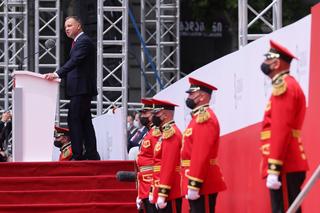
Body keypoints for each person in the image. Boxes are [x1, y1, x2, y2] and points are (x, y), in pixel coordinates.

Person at [259, 40, 309, 213]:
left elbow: (281, 128)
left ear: (276, 62)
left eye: (267, 59)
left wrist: (274, 166)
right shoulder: (287, 85)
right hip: (285, 160)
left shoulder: (284, 86)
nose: (264, 63)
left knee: (285, 209)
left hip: (285, 161)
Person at [44, 16, 100, 160]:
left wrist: (57, 73)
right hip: (78, 89)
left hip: (82, 88)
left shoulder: (84, 42)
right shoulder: (77, 42)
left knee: (74, 119)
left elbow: (75, 61)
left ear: (79, 26)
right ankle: (92, 153)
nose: (67, 29)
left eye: (70, 25)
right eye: (65, 27)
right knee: (85, 121)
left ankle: (77, 154)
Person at [181, 77, 227, 213]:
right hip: (196, 178)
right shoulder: (196, 118)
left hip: (202, 181)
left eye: (191, 94)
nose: (188, 97)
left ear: (201, 96)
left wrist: (195, 183)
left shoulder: (204, 118)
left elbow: (200, 154)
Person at [151, 98, 182, 213]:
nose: (153, 116)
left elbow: (168, 165)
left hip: (170, 189)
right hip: (161, 186)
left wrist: (163, 192)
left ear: (164, 115)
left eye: (156, 113)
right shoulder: (164, 133)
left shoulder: (171, 133)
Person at [135, 98, 161, 213]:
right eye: (142, 113)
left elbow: (158, 161)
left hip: (152, 184)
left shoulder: (156, 133)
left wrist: (153, 188)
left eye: (146, 113)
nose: (142, 116)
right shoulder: (148, 133)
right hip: (144, 184)